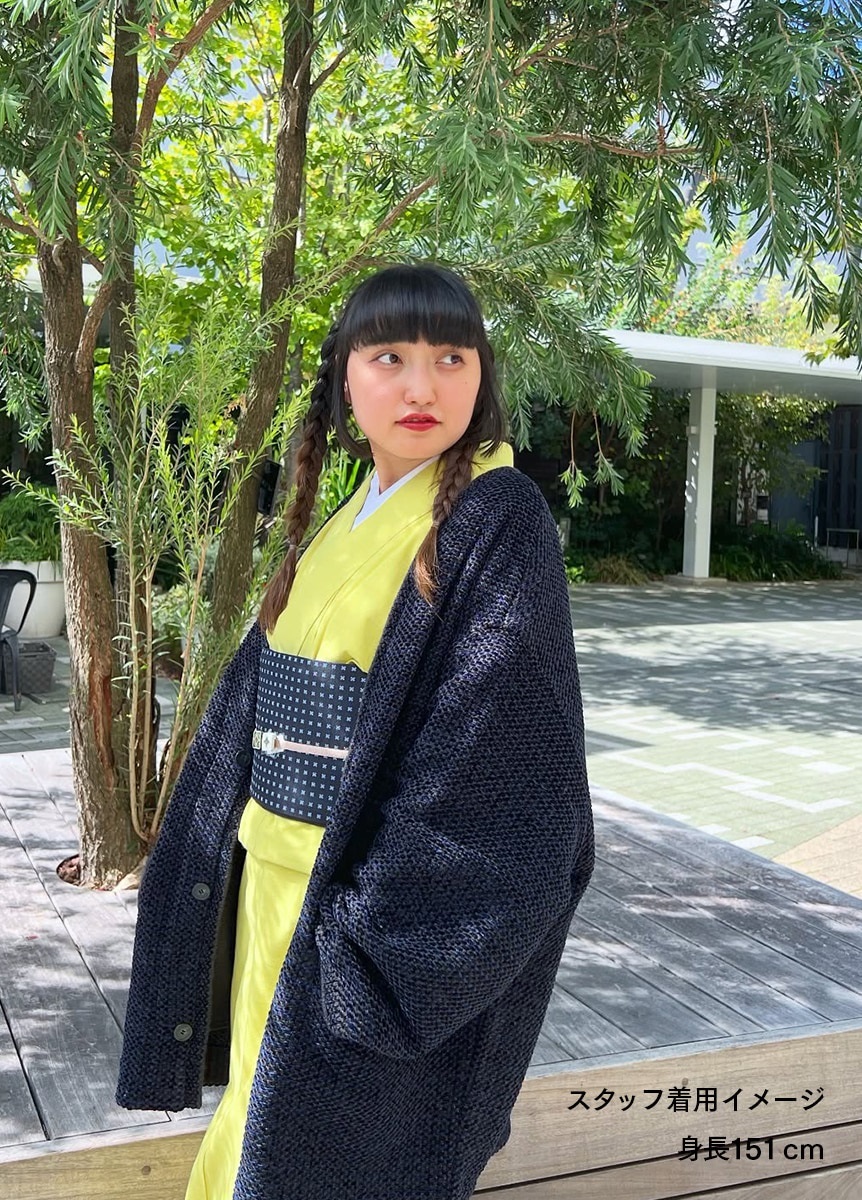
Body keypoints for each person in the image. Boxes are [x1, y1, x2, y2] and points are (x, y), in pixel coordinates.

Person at [116, 263, 594, 1200]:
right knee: (256, 1129)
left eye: (451, 359)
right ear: (346, 378)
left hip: (356, 922)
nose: (422, 387)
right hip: (272, 892)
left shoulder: (499, 519)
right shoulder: (347, 515)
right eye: (390, 358)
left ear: (481, 378)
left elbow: (500, 772)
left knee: (311, 1160)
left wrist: (366, 950)